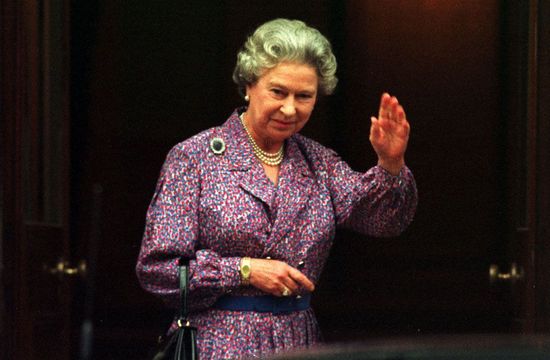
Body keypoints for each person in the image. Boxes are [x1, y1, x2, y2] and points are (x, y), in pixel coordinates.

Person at [136, 18, 417, 359]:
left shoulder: (318, 162)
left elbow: (383, 220)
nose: (289, 108)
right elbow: (158, 271)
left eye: (304, 96)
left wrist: (390, 164)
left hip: (298, 342)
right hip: (219, 345)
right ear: (249, 85)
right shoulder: (193, 158)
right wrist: (245, 270)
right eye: (278, 92)